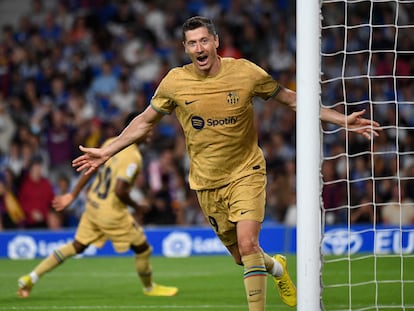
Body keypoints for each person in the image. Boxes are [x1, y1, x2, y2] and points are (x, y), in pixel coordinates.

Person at [72, 16, 381, 310]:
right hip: (206, 183)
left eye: (204, 40)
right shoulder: (175, 82)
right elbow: (143, 122)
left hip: (246, 171)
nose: (199, 48)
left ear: (216, 41)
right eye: (192, 43)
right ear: (185, 48)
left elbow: (290, 98)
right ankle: (277, 268)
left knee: (248, 245)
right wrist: (108, 150)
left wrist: (341, 120)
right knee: (242, 257)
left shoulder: (245, 72)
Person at [17, 115, 178, 298]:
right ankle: (149, 288)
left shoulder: (112, 142)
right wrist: (137, 206)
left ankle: (31, 277)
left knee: (77, 246)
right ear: (135, 129)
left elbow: (90, 166)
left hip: (93, 204)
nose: (150, 133)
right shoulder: (133, 157)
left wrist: (73, 194)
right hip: (111, 212)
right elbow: (119, 190)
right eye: (147, 128)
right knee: (143, 249)